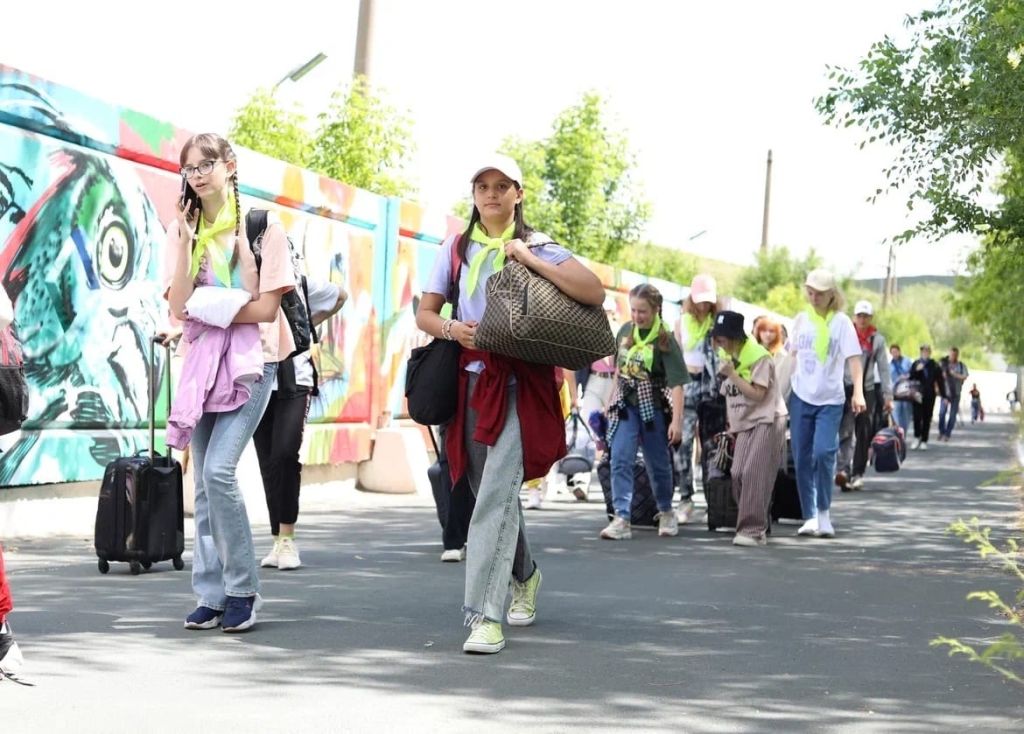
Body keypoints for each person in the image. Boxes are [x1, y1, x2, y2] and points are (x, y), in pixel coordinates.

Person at [415, 153, 604, 654]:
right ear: (473, 194)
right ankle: (526, 576)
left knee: (496, 497)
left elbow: (592, 290)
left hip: (522, 384)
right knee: (485, 497)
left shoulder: (540, 244)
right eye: (483, 186)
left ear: (519, 193)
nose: (492, 194)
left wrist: (532, 259)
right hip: (470, 384)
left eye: (503, 185)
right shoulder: (455, 248)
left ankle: (484, 616)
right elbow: (426, 313)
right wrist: (456, 330)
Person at [165, 133, 297, 633]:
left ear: (230, 165)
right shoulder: (186, 230)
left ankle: (242, 589)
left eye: (206, 165)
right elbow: (178, 306)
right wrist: (183, 239)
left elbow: (266, 310)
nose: (197, 175)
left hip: (254, 364)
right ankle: (211, 593)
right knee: (201, 481)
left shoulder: (264, 228)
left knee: (219, 470)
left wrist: (212, 307)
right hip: (201, 366)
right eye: (190, 169)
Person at [257, 278, 347, 570]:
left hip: (295, 379)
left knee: (285, 455)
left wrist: (304, 324)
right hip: (256, 381)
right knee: (268, 462)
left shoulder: (300, 283)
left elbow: (340, 296)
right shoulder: (245, 281)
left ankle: (287, 537)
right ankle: (276, 540)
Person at [601, 284, 688, 540]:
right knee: (620, 458)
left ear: (656, 309)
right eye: (634, 310)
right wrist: (610, 400)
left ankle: (666, 510)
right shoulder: (626, 331)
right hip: (626, 405)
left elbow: (677, 384)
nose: (637, 316)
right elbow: (619, 370)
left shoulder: (665, 339)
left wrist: (677, 421)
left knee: (657, 463)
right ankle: (621, 517)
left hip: (653, 409)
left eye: (643, 312)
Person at [787, 269, 865, 539]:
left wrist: (859, 392)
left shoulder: (841, 323)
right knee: (801, 456)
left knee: (823, 452)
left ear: (832, 294)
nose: (814, 296)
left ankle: (824, 513)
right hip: (800, 396)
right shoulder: (800, 320)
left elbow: (854, 359)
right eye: (810, 291)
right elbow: (791, 357)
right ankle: (809, 516)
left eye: (819, 292)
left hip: (830, 399)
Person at [712, 311, 787, 547]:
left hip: (767, 418)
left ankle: (753, 530)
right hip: (745, 421)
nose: (718, 343)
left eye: (723, 338)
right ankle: (754, 523)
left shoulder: (759, 357)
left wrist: (732, 375)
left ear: (735, 337)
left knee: (754, 473)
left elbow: (757, 394)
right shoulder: (728, 354)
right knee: (737, 472)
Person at [673, 274, 725, 525]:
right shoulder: (681, 322)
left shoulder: (718, 323)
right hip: (686, 386)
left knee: (711, 446)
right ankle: (685, 498)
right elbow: (677, 358)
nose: (704, 305)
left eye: (708, 301)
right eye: (700, 300)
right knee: (682, 444)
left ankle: (713, 499)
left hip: (712, 390)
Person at [836, 301, 893, 491]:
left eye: (865, 316)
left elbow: (884, 368)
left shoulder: (877, 340)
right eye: (859, 316)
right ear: (854, 317)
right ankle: (843, 469)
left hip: (867, 388)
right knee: (845, 428)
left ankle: (858, 472)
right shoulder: (844, 336)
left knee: (863, 431)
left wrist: (888, 395)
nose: (862, 319)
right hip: (845, 386)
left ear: (870, 318)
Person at [910, 345, 945, 450]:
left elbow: (940, 380)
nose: (925, 353)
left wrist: (944, 395)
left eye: (927, 351)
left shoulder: (934, 365)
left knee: (927, 417)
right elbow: (911, 377)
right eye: (923, 351)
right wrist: (917, 370)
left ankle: (924, 440)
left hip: (930, 393)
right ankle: (917, 437)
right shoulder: (916, 363)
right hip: (917, 393)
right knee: (917, 417)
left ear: (929, 353)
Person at [937, 347, 969, 442]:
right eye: (951, 354)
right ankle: (941, 432)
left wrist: (954, 374)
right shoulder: (943, 364)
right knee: (942, 413)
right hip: (945, 393)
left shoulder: (961, 366)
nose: (953, 356)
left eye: (955, 355)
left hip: (956, 393)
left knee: (952, 415)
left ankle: (947, 434)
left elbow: (965, 376)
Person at [889, 344, 913, 436]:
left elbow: (913, 373)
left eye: (896, 351)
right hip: (896, 393)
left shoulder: (907, 361)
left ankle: (904, 433)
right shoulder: (890, 365)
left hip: (907, 392)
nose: (895, 354)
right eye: (893, 352)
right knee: (896, 415)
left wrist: (906, 376)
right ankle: (899, 434)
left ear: (899, 351)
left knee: (906, 416)